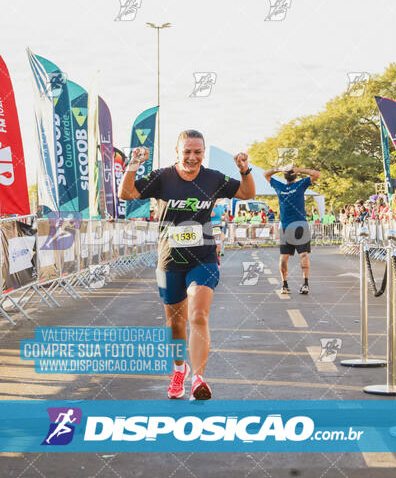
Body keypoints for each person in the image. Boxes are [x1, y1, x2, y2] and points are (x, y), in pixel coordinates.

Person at [118, 129, 255, 400]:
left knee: (198, 316)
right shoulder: (162, 177)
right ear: (177, 152)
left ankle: (198, 378)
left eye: (198, 152)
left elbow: (247, 193)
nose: (192, 157)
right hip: (169, 259)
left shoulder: (213, 178)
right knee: (175, 322)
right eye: (187, 152)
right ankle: (179, 370)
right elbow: (127, 193)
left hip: (203, 256)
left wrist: (244, 170)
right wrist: (133, 165)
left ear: (203, 153)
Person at [264, 164, 320, 295]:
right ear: (295, 175)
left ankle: (284, 285)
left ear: (284, 176)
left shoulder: (280, 186)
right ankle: (305, 284)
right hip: (300, 225)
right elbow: (316, 174)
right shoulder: (299, 185)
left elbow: (265, 174)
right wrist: (300, 169)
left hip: (285, 227)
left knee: (284, 257)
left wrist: (278, 169)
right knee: (303, 255)